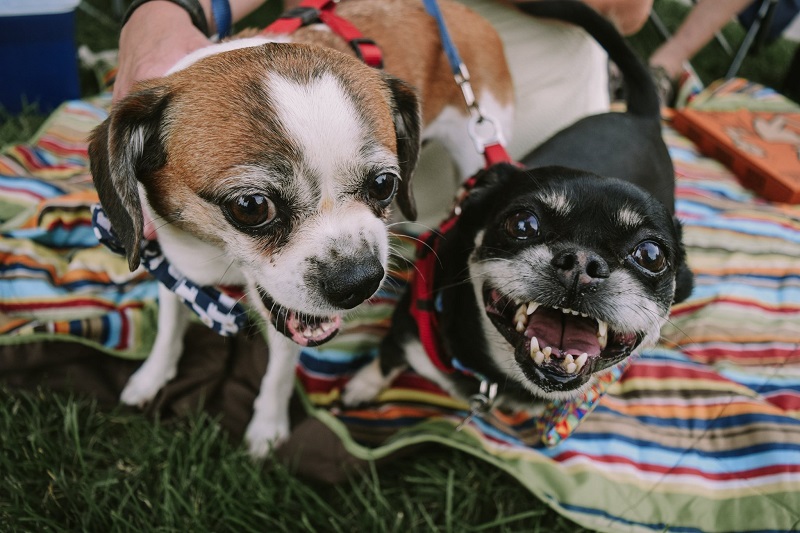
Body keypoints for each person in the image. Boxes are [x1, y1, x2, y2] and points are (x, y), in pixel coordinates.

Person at [114, 0, 652, 225]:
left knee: (502, 220)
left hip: (518, 45)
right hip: (349, 49)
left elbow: (630, 11)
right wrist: (160, 11)